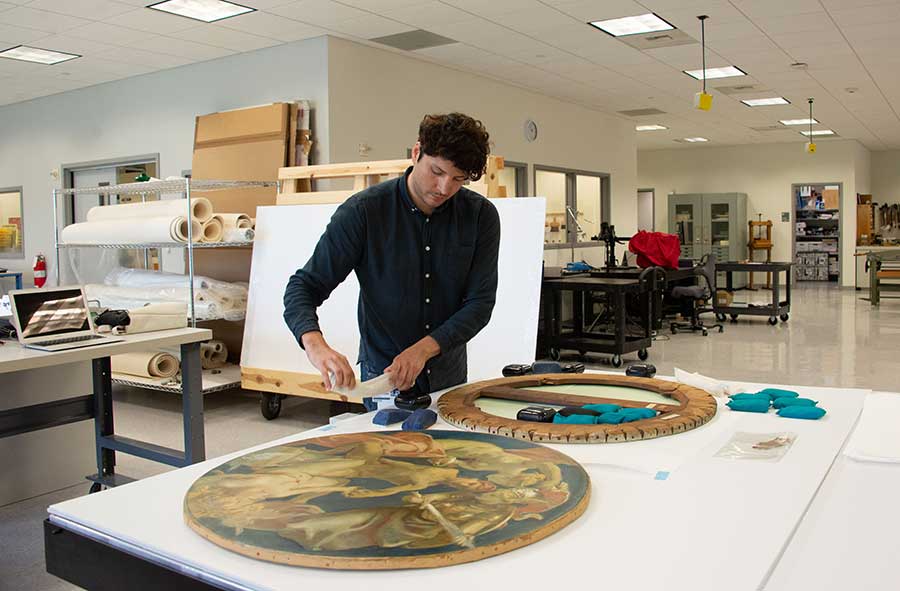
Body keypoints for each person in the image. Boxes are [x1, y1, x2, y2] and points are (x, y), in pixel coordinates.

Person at [283, 112, 500, 403]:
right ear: (416, 152)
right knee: (382, 435)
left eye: (458, 179)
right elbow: (303, 287)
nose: (444, 188)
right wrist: (316, 346)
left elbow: (480, 303)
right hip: (383, 375)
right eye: (436, 172)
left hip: (447, 374)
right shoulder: (363, 213)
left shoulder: (480, 216)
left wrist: (423, 349)